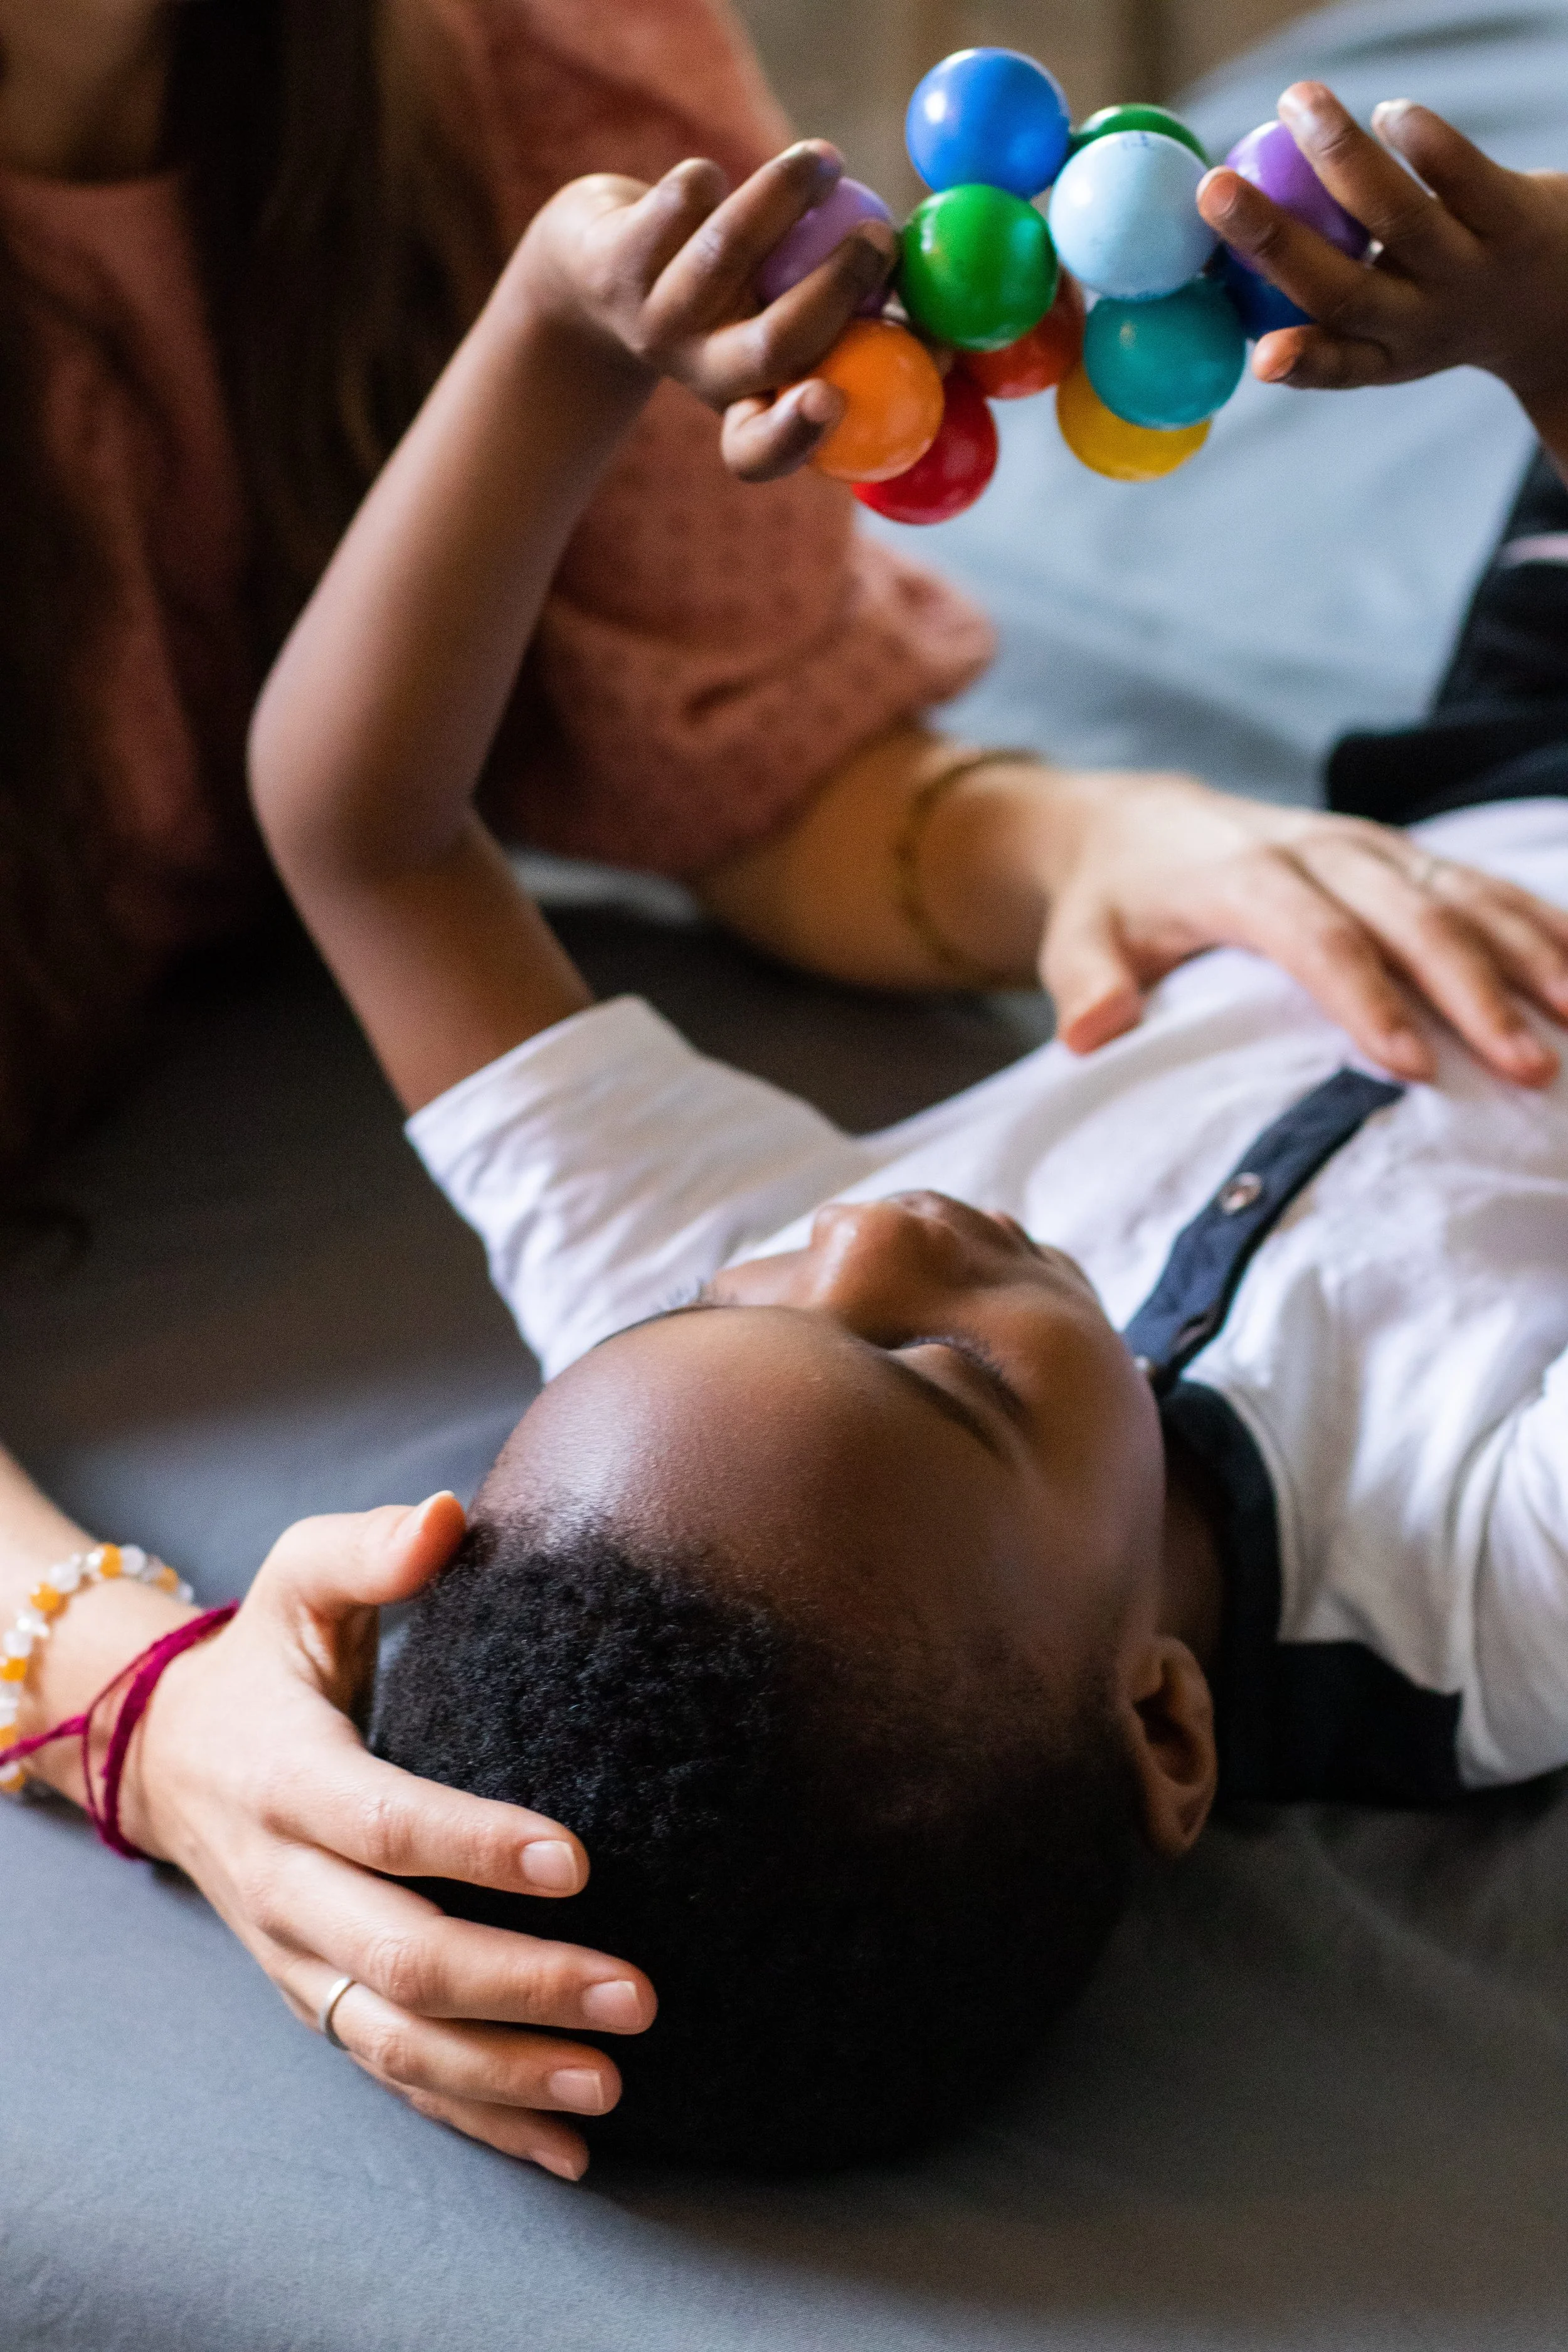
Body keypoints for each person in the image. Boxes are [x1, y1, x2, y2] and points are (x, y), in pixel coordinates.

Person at [109, 88, 1568, 2174]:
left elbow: (362, 825)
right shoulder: (1482, 1587)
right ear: (1160, 1722)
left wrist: (559, 333)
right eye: (949, 1376)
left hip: (1473, 779)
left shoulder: (691, 1367)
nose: (878, 1227)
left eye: (760, 1272)